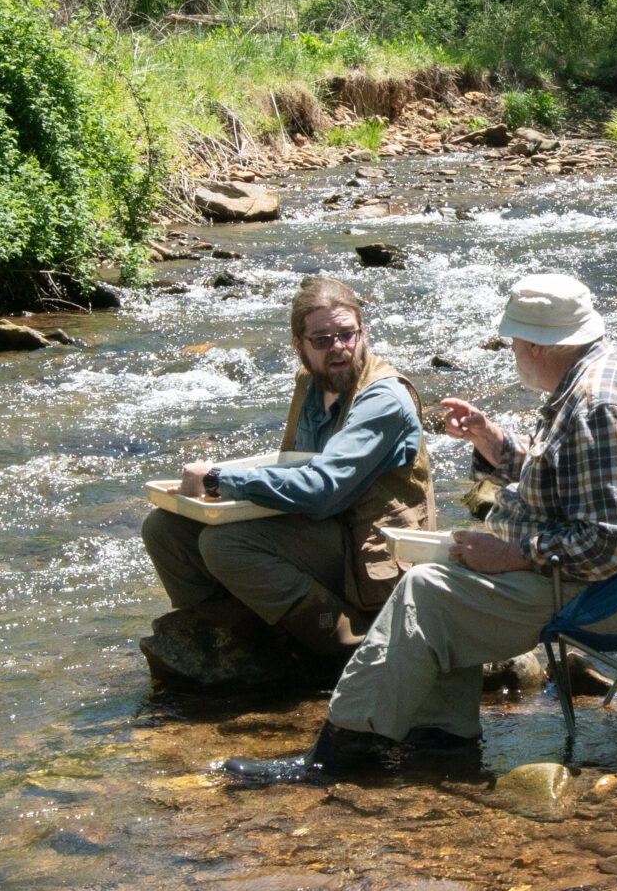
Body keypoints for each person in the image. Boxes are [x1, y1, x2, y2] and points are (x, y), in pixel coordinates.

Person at [224, 273, 617, 783]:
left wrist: (516, 555)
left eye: (515, 339)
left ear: (537, 344)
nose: (512, 349)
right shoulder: (601, 373)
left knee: (428, 590)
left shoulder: (599, 406)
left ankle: (341, 755)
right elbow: (567, 480)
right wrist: (496, 445)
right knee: (444, 571)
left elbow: (613, 542)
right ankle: (442, 742)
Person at [140, 277, 434, 690]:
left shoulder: (384, 398)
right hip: (326, 528)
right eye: (322, 339)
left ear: (362, 332)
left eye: (347, 334)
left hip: (369, 546)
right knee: (165, 529)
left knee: (225, 544)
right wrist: (219, 490)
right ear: (299, 345)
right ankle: (236, 636)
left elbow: (323, 488)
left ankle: (341, 641)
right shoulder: (310, 384)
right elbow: (294, 466)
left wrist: (220, 481)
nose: (338, 347)